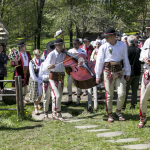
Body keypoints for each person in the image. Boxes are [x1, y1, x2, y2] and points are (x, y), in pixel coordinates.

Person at [95, 28, 131, 123]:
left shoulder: (122, 45)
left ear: (113, 36)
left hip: (119, 72)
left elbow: (126, 59)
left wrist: (128, 72)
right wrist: (98, 75)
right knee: (109, 95)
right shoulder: (103, 47)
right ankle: (109, 113)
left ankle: (118, 112)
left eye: (107, 36)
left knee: (122, 93)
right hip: (107, 72)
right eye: (105, 37)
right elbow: (99, 61)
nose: (105, 38)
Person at [42, 38, 66, 121]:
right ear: (55, 46)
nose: (60, 46)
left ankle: (58, 113)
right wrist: (49, 67)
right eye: (58, 45)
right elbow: (44, 67)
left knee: (59, 96)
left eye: (61, 44)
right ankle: (54, 113)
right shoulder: (51, 54)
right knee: (57, 95)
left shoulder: (64, 54)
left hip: (61, 76)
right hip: (53, 77)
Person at [122, 35, 141, 110]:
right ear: (135, 42)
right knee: (134, 89)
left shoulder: (126, 50)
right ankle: (133, 105)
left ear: (127, 42)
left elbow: (123, 62)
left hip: (128, 73)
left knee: (125, 90)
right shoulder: (139, 50)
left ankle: (123, 105)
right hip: (137, 72)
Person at [65, 38, 87, 106]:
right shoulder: (70, 51)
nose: (74, 45)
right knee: (69, 85)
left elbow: (83, 62)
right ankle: (69, 99)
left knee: (78, 85)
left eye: (76, 44)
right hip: (70, 70)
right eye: (73, 44)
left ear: (79, 44)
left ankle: (78, 99)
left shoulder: (82, 51)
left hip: (78, 70)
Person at [138, 22, 150, 128]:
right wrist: (144, 58)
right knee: (143, 97)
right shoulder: (147, 42)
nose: (149, 32)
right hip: (148, 72)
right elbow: (141, 55)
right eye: (148, 30)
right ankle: (143, 117)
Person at [87, 41, 101, 110]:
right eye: (96, 44)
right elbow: (91, 58)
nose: (97, 45)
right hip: (92, 67)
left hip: (99, 68)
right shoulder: (94, 51)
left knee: (95, 86)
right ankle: (89, 105)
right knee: (91, 85)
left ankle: (95, 105)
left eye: (98, 44)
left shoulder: (101, 50)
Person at [29, 49, 42, 115]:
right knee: (35, 94)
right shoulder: (31, 62)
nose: (38, 56)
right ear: (34, 55)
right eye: (36, 54)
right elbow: (32, 73)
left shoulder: (42, 61)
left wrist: (42, 79)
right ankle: (36, 108)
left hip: (41, 79)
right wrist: (37, 80)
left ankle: (39, 103)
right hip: (34, 80)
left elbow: (44, 70)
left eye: (39, 54)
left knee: (40, 93)